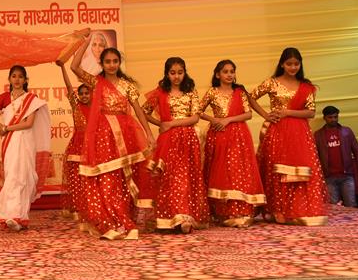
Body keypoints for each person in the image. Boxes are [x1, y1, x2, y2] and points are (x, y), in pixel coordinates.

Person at [70, 39, 155, 240]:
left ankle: (124, 220)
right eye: (107, 61)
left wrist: (149, 133)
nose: (111, 65)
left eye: (115, 61)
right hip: (103, 137)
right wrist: (85, 42)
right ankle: (111, 222)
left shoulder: (127, 86)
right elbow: (74, 66)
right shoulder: (96, 82)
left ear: (119, 62)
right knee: (107, 179)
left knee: (124, 180)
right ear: (101, 63)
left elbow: (138, 111)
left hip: (125, 136)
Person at [248, 47, 327, 226]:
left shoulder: (306, 86)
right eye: (289, 64)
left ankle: (298, 210)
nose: (293, 67)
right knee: (278, 172)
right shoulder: (272, 83)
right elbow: (251, 97)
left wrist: (287, 112)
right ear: (282, 64)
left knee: (300, 173)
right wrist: (266, 115)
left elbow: (311, 112)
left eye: (296, 64)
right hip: (277, 132)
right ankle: (278, 210)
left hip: (300, 134)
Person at [143, 57, 208, 233]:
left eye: (180, 72)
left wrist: (170, 124)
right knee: (171, 179)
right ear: (166, 74)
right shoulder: (160, 92)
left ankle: (186, 217)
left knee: (187, 178)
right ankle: (172, 217)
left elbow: (195, 118)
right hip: (168, 141)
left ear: (185, 72)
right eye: (172, 73)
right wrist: (161, 124)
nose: (177, 76)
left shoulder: (191, 91)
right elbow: (144, 112)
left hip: (188, 140)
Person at [199, 60, 266, 227]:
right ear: (217, 75)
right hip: (219, 135)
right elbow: (197, 111)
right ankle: (223, 211)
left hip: (239, 135)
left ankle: (241, 209)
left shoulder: (239, 92)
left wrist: (228, 120)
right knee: (222, 171)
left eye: (232, 71)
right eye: (225, 71)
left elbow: (248, 114)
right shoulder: (212, 92)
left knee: (238, 170)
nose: (229, 75)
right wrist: (214, 119)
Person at [0, 65, 51, 231]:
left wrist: (6, 128)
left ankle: (20, 216)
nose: (17, 79)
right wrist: (1, 127)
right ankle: (11, 215)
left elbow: (29, 124)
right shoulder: (3, 97)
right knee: (13, 176)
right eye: (14, 76)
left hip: (25, 140)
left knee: (24, 176)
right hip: (10, 142)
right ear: (9, 79)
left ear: (25, 80)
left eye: (20, 76)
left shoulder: (31, 99)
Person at [56, 60, 91, 219]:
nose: (83, 96)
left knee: (90, 179)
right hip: (77, 146)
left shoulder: (97, 108)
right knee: (76, 179)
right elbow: (69, 87)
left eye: (86, 93)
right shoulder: (76, 106)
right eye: (81, 93)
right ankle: (77, 209)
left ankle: (91, 207)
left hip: (93, 146)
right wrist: (63, 67)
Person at [313, 106, 358, 208]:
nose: (333, 119)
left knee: (351, 205)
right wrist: (317, 176)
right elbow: (315, 157)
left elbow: (357, 151)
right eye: (330, 117)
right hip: (329, 177)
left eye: (335, 117)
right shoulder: (318, 135)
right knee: (334, 208)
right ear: (324, 118)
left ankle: (353, 220)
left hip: (347, 176)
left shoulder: (346, 131)